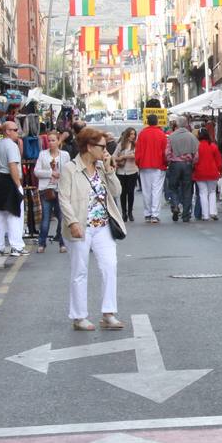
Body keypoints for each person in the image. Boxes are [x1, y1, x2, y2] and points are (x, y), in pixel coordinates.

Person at [58, 126, 125, 332]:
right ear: (89, 146)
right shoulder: (70, 168)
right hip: (80, 226)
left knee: (109, 266)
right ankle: (79, 317)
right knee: (80, 271)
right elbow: (64, 198)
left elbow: (117, 192)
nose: (106, 151)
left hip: (103, 226)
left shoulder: (101, 168)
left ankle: (108, 314)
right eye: (102, 147)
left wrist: (109, 169)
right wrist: (72, 222)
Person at [0, 120, 27, 257]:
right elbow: (12, 166)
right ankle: (16, 246)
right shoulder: (11, 146)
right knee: (15, 213)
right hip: (9, 180)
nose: (18, 132)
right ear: (7, 131)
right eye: (15, 130)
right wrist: (18, 185)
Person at [34, 131, 70, 254]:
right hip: (46, 190)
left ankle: (62, 243)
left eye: (53, 140)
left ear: (58, 141)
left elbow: (69, 172)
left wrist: (62, 175)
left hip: (61, 190)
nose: (51, 143)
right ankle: (42, 243)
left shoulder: (64, 155)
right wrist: (50, 173)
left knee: (61, 217)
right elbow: (36, 172)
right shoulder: (42, 154)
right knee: (45, 217)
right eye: (49, 140)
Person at [135, 113, 168, 223]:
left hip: (144, 165)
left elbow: (138, 150)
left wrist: (138, 163)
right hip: (158, 165)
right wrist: (165, 163)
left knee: (146, 190)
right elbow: (165, 152)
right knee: (156, 190)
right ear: (157, 122)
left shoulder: (142, 134)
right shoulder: (161, 134)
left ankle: (148, 213)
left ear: (147, 122)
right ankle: (154, 214)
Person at [165, 117, 199, 223]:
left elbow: (167, 152)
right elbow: (196, 155)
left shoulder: (171, 136)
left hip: (175, 164)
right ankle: (186, 215)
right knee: (187, 189)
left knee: (173, 187)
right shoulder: (192, 137)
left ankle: (175, 205)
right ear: (187, 124)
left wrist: (170, 161)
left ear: (177, 124)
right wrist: (192, 163)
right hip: (187, 165)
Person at [193, 128, 222, 221]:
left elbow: (194, 160)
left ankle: (205, 215)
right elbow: (219, 161)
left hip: (199, 173)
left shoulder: (196, 146)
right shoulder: (213, 146)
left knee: (202, 193)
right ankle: (213, 212)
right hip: (212, 173)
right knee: (212, 192)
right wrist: (220, 171)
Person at [113, 127, 140, 223]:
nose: (132, 136)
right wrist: (118, 159)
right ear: (127, 135)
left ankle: (130, 212)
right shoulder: (121, 144)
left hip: (132, 171)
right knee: (123, 192)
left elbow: (137, 155)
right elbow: (114, 156)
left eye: (134, 134)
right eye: (131, 134)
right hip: (121, 171)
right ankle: (124, 212)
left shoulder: (136, 145)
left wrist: (124, 156)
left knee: (131, 192)